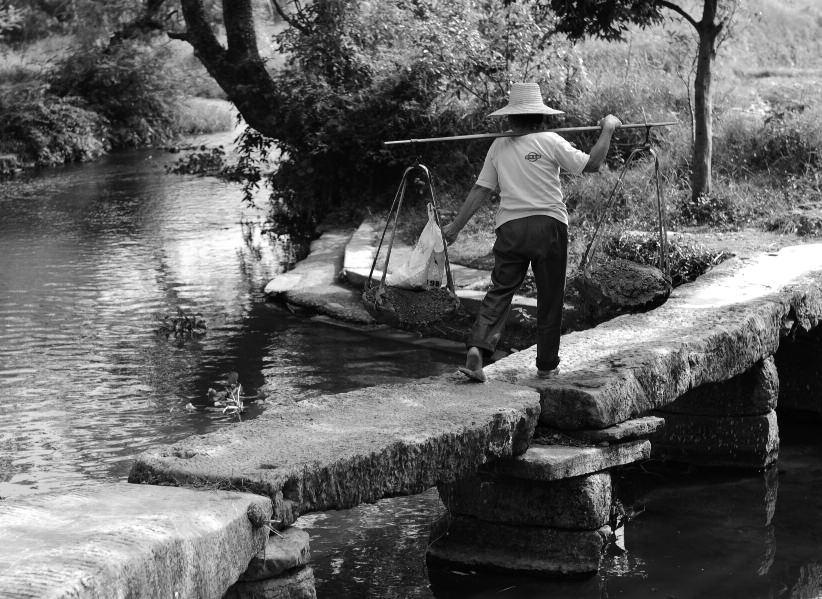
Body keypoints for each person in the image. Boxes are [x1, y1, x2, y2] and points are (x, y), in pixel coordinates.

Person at [442, 82, 622, 382]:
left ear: (511, 118)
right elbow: (592, 164)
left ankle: (477, 349)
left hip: (511, 229)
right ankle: (546, 365)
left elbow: (481, 189)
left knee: (500, 291)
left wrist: (455, 227)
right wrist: (609, 128)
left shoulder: (498, 145)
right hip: (549, 226)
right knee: (550, 298)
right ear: (540, 116)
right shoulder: (551, 141)